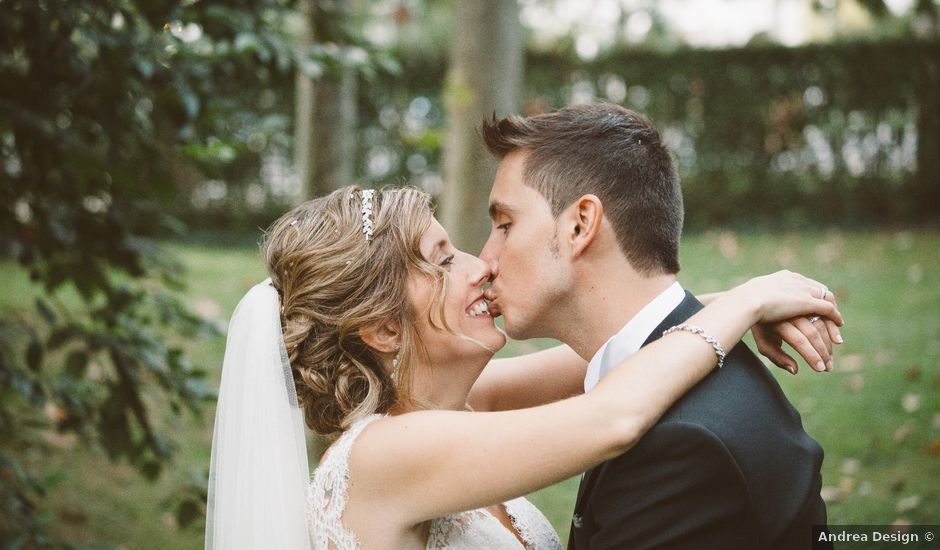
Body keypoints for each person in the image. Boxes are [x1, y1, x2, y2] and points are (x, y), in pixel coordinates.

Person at [205, 184, 843, 550]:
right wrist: (755, 297)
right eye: (443, 258)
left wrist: (727, 307)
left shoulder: (458, 407)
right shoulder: (384, 455)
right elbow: (614, 416)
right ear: (382, 328)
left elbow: (625, 339)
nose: (480, 265)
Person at [478, 102, 837, 549]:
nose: (485, 261)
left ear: (580, 225)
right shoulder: (675, 363)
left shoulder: (682, 447)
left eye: (505, 225)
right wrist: (740, 303)